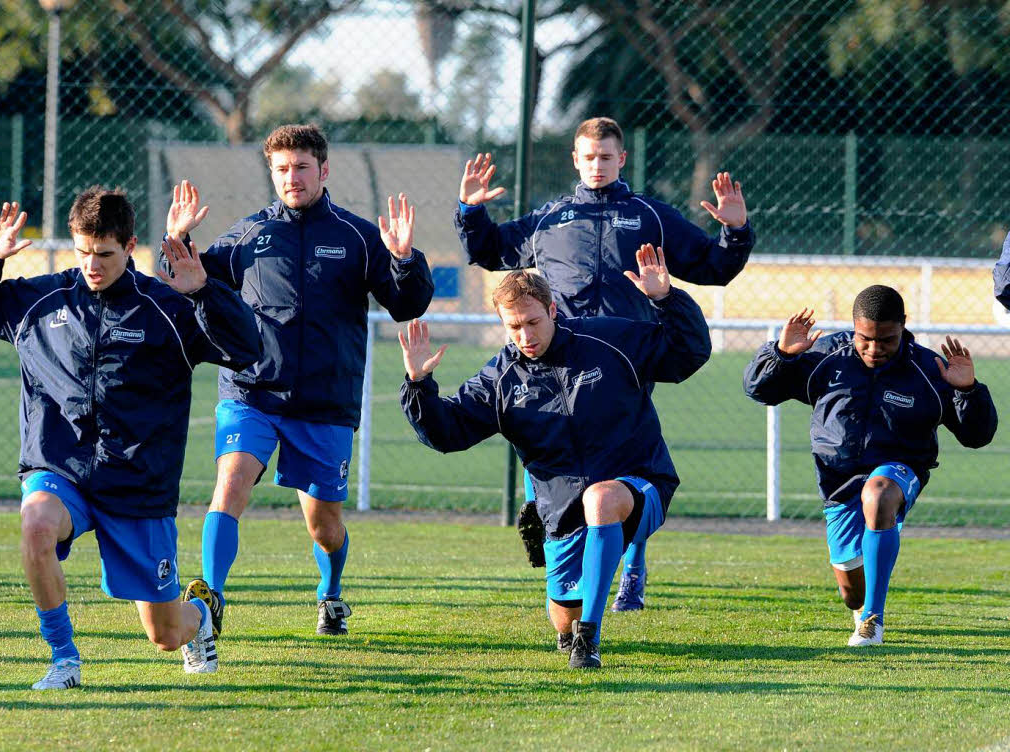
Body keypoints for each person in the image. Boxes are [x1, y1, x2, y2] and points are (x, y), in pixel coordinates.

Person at [455, 116, 755, 610]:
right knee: (551, 454)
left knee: (622, 468)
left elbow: (714, 267)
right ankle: (559, 535)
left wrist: (735, 231)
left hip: (623, 365)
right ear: (575, 159)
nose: (597, 165)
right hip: (555, 367)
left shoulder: (649, 216)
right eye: (588, 157)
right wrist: (470, 210)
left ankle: (632, 561)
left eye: (606, 157)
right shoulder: (549, 219)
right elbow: (490, 250)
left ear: (622, 159)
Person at [164, 123, 434, 645]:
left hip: (324, 402)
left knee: (323, 526)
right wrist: (175, 241)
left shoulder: (356, 236)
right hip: (252, 391)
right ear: (272, 173)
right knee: (230, 486)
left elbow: (407, 303)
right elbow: (185, 279)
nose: (292, 178)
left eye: (302, 167)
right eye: (282, 169)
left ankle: (330, 596)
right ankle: (210, 598)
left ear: (323, 170)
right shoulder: (248, 234)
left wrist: (403, 259)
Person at [0, 190, 261, 688]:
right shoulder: (40, 303)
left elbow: (248, 349)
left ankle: (198, 615)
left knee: (165, 634)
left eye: (105, 254)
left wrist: (204, 292)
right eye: (83, 251)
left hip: (138, 485)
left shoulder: (166, 310)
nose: (92, 264)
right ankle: (64, 659)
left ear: (130, 245)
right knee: (35, 524)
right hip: (60, 468)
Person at [399, 244, 711, 668]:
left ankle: (590, 638)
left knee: (600, 500)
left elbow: (687, 353)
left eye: (533, 322)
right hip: (560, 510)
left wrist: (665, 298)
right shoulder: (500, 379)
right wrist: (419, 385)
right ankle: (572, 630)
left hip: (639, 481)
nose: (526, 336)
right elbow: (448, 433)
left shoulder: (609, 340)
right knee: (561, 617)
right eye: (514, 327)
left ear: (552, 310)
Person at [743, 286, 997, 646]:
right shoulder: (826, 357)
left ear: (903, 327)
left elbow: (977, 436)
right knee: (852, 594)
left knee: (877, 496)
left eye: (886, 340)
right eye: (865, 339)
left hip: (898, 472)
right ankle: (864, 603)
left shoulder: (928, 370)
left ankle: (872, 622)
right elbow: (758, 390)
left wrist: (967, 390)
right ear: (853, 327)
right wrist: (782, 356)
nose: (874, 349)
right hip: (838, 482)